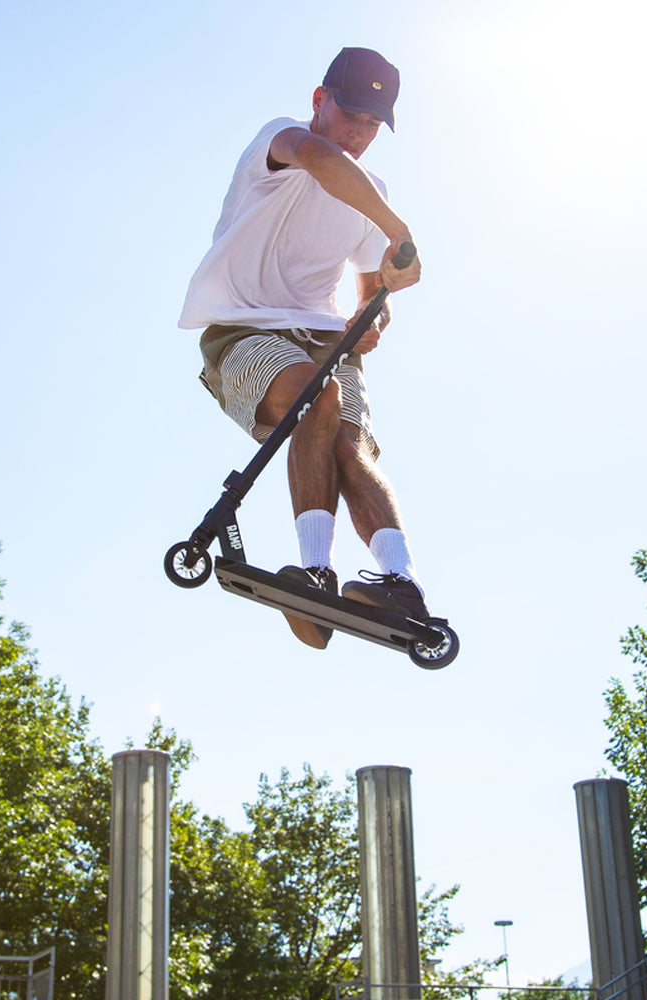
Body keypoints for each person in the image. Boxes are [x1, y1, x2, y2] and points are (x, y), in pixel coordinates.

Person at [179, 47, 430, 650]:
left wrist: (373, 317)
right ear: (320, 100)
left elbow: (371, 295)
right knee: (317, 400)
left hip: (326, 339)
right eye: (350, 115)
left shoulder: (373, 193)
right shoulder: (282, 141)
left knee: (349, 443)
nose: (358, 133)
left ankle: (401, 582)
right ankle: (316, 571)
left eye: (372, 124)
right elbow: (320, 158)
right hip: (244, 329)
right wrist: (399, 231)